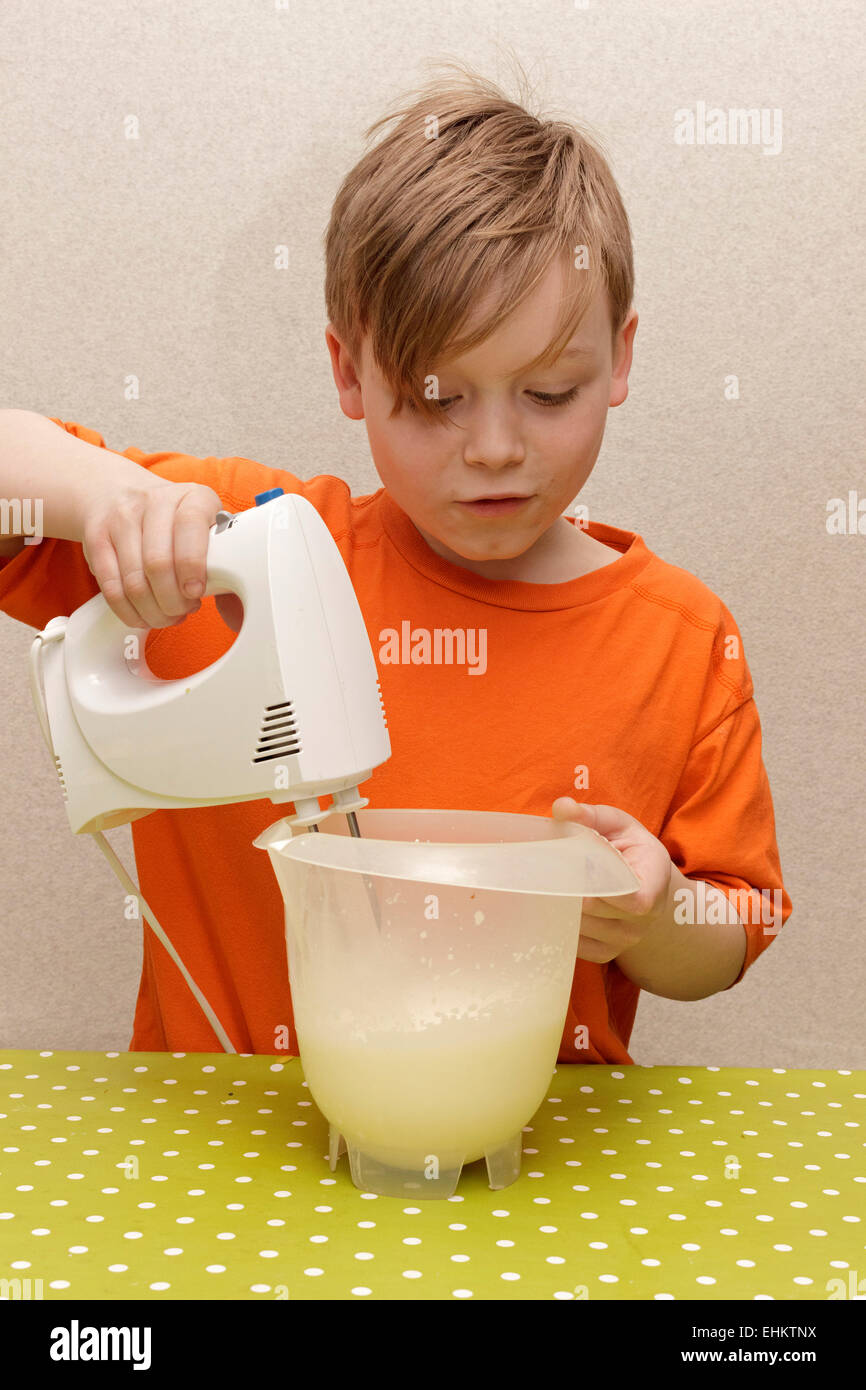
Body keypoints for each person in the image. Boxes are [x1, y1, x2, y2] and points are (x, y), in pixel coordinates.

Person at [0, 63, 791, 1063]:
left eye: (548, 394)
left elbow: (733, 932)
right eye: (435, 399)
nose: (495, 447)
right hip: (226, 1163)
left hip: (528, 1165)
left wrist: (658, 914)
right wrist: (112, 504)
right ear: (348, 372)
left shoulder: (680, 639)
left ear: (619, 358)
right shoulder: (256, 549)